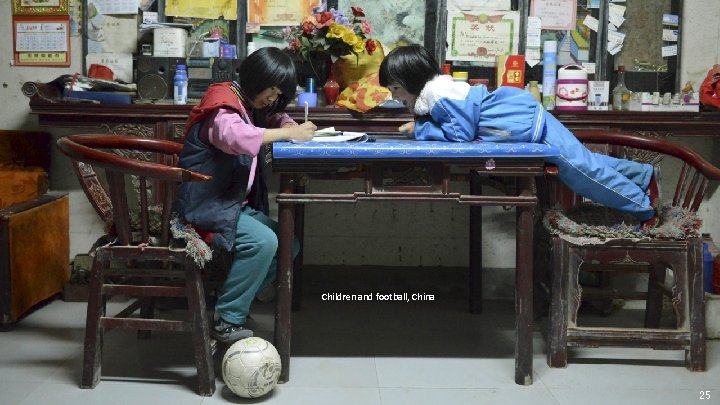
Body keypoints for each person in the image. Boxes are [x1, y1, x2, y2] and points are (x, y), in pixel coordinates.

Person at [378, 44, 659, 227]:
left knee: (581, 173)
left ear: (411, 81)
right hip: (528, 119)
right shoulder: (439, 90)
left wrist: (422, 129)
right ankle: (642, 175)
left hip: (528, 127)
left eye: (396, 89)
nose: (395, 96)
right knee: (586, 160)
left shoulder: (437, 96)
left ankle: (642, 209)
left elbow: (459, 135)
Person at [174, 47, 316, 343]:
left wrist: (286, 123)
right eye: (272, 91)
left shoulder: (244, 103)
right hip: (205, 206)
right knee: (264, 242)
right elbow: (235, 136)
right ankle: (227, 318)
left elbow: (268, 119)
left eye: (279, 95)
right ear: (257, 79)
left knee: (290, 244)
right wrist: (291, 134)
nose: (272, 100)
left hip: (228, 204)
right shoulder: (222, 105)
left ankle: (230, 300)